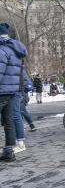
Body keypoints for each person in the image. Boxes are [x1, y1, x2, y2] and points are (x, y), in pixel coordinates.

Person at [0, 23, 27, 162]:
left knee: (8, 121)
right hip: (12, 91)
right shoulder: (15, 50)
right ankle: (9, 151)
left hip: (1, 91)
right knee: (8, 121)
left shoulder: (2, 50)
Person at [21, 68, 37, 132]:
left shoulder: (21, 69)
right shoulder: (23, 69)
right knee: (21, 111)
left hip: (22, 94)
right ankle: (27, 126)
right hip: (23, 93)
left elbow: (25, 81)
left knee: (21, 110)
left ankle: (30, 125)